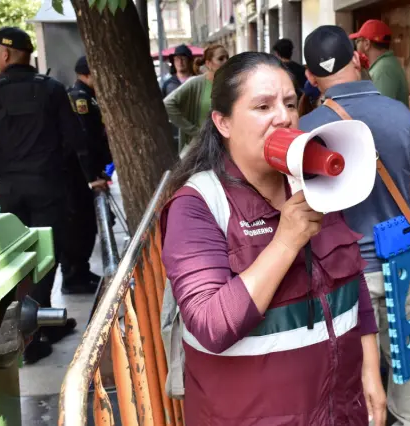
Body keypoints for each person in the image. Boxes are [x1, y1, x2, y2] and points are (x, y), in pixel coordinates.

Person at [161, 51, 386, 425]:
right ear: (223, 122)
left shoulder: (314, 184)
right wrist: (285, 242)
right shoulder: (196, 206)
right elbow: (211, 325)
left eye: (288, 103)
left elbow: (351, 280)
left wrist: (370, 369)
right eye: (262, 106)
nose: (283, 117)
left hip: (338, 410)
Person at [299, 25, 410, 426]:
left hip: (344, 272)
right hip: (402, 261)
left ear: (310, 76)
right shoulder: (400, 114)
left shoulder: (306, 132)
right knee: (405, 356)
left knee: (352, 364)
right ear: (358, 58)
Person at [0, 27, 107, 363]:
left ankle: (22, 331)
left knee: (11, 260)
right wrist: (92, 178)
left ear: (6, 54)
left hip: (10, 188)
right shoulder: (53, 90)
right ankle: (34, 328)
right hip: (49, 186)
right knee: (45, 257)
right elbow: (75, 140)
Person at [62, 55, 113, 294]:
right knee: (79, 227)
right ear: (88, 74)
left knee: (87, 226)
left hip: (88, 172)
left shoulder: (88, 97)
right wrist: (91, 175)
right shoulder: (79, 99)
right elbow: (84, 143)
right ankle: (73, 277)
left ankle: (80, 273)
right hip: (80, 176)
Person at [164, 44, 228, 156]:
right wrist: (194, 131)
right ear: (209, 64)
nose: (226, 61)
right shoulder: (196, 82)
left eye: (228, 57)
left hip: (224, 149)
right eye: (221, 58)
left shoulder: (230, 85)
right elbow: (167, 103)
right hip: (200, 150)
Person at [350, 19, 409, 106]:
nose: (356, 46)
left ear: (367, 43)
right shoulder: (386, 64)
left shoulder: (383, 70)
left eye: (358, 41)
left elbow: (380, 110)